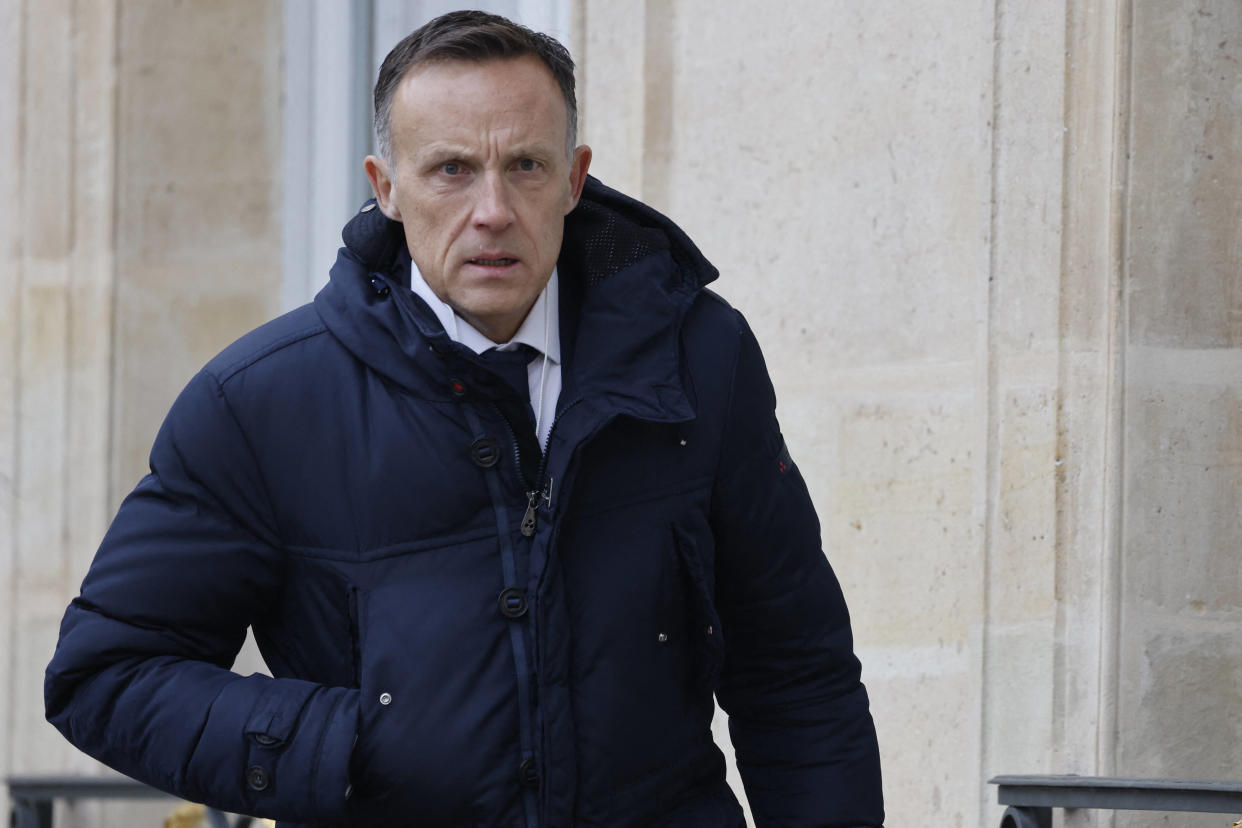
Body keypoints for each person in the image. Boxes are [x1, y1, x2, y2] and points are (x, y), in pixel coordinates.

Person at [45, 10, 883, 827]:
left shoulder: (700, 354)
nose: (492, 210)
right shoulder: (261, 401)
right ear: (387, 189)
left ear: (574, 178)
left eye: (524, 165)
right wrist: (342, 746)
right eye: (451, 170)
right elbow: (106, 674)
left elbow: (796, 673)